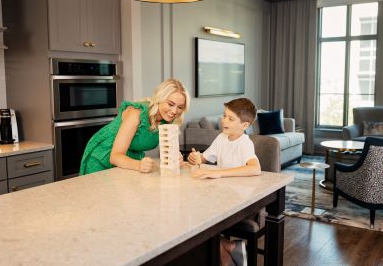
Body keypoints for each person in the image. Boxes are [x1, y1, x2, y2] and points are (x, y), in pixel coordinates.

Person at [187, 97, 261, 266]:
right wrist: (195, 157)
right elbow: (204, 159)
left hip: (241, 202)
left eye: (230, 118)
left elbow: (255, 168)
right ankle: (229, 248)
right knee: (194, 216)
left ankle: (228, 249)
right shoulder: (221, 138)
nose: (224, 121)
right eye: (224, 116)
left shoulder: (244, 143)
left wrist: (219, 173)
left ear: (245, 125)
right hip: (223, 197)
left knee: (200, 221)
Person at [80, 78, 190, 175]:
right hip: (102, 157)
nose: (175, 111)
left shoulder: (168, 119)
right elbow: (115, 156)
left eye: (180, 107)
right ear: (159, 99)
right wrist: (138, 165)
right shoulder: (136, 114)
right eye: (170, 104)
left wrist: (175, 159)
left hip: (127, 162)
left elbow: (169, 151)